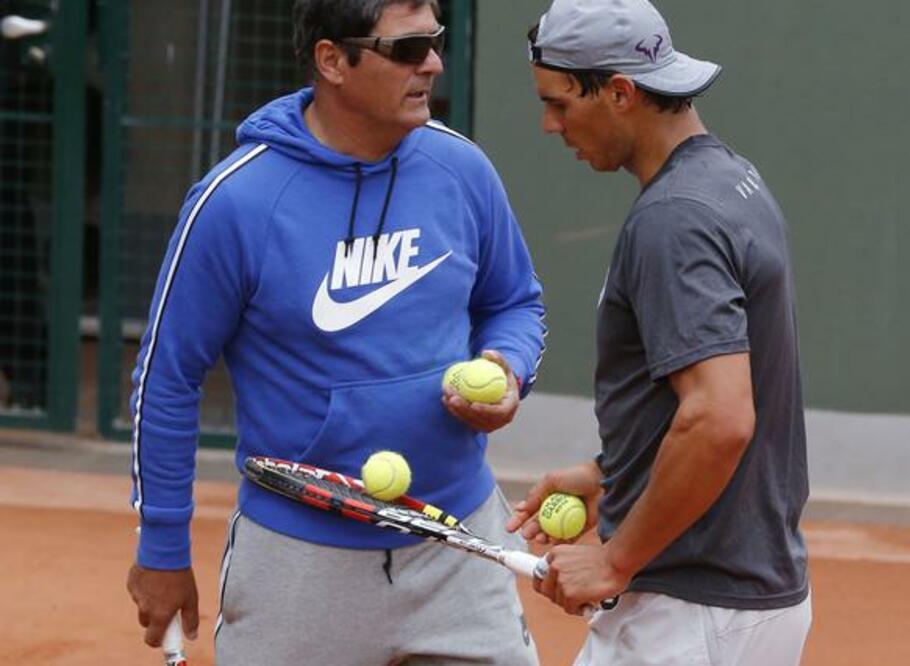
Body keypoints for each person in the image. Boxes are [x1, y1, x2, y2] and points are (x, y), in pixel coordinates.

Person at [125, 1, 546, 664]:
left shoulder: (462, 171)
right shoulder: (237, 201)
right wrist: (162, 548)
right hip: (299, 567)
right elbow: (167, 378)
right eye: (407, 49)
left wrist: (509, 367)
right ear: (332, 60)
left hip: (458, 548)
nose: (432, 63)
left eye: (435, 42)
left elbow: (516, 302)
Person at [507, 1, 812, 664]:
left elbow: (719, 417)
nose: (549, 124)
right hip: (739, 603)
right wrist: (610, 474)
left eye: (560, 103)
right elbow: (714, 394)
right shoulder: (731, 181)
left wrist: (616, 559)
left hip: (689, 613)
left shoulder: (672, 219)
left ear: (619, 92)